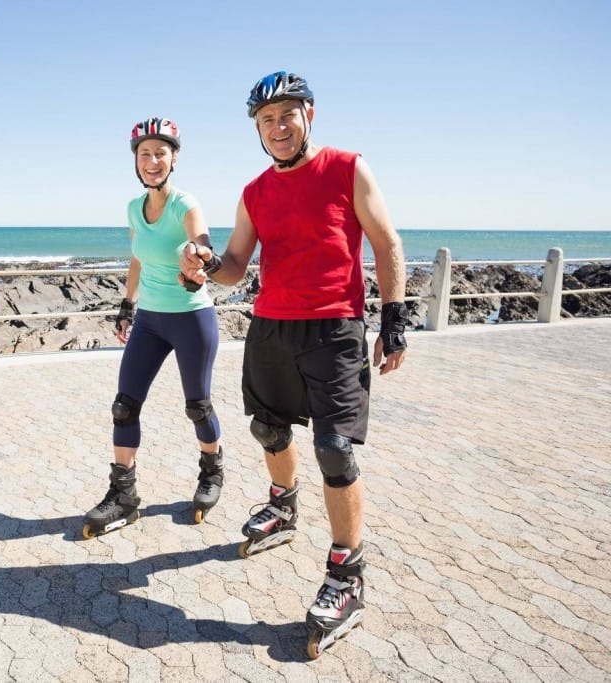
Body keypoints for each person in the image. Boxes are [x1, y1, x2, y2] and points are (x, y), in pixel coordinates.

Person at [179, 71, 410, 657]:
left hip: (335, 328)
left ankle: (347, 573)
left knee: (335, 447)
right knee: (267, 427)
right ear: (256, 129)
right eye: (267, 120)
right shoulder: (255, 191)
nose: (278, 128)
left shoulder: (347, 168)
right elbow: (235, 264)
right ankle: (283, 507)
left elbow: (385, 243)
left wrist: (394, 318)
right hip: (272, 325)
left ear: (310, 114)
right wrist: (204, 265)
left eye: (287, 116)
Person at [82, 117, 225, 538]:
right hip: (149, 321)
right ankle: (123, 496)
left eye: (160, 153)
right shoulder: (132, 208)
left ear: (173, 158)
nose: (152, 160)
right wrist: (127, 305)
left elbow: (202, 242)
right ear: (136, 161)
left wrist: (197, 261)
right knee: (124, 405)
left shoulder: (185, 203)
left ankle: (211, 472)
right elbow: (138, 259)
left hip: (191, 319)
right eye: (145, 154)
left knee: (197, 405)